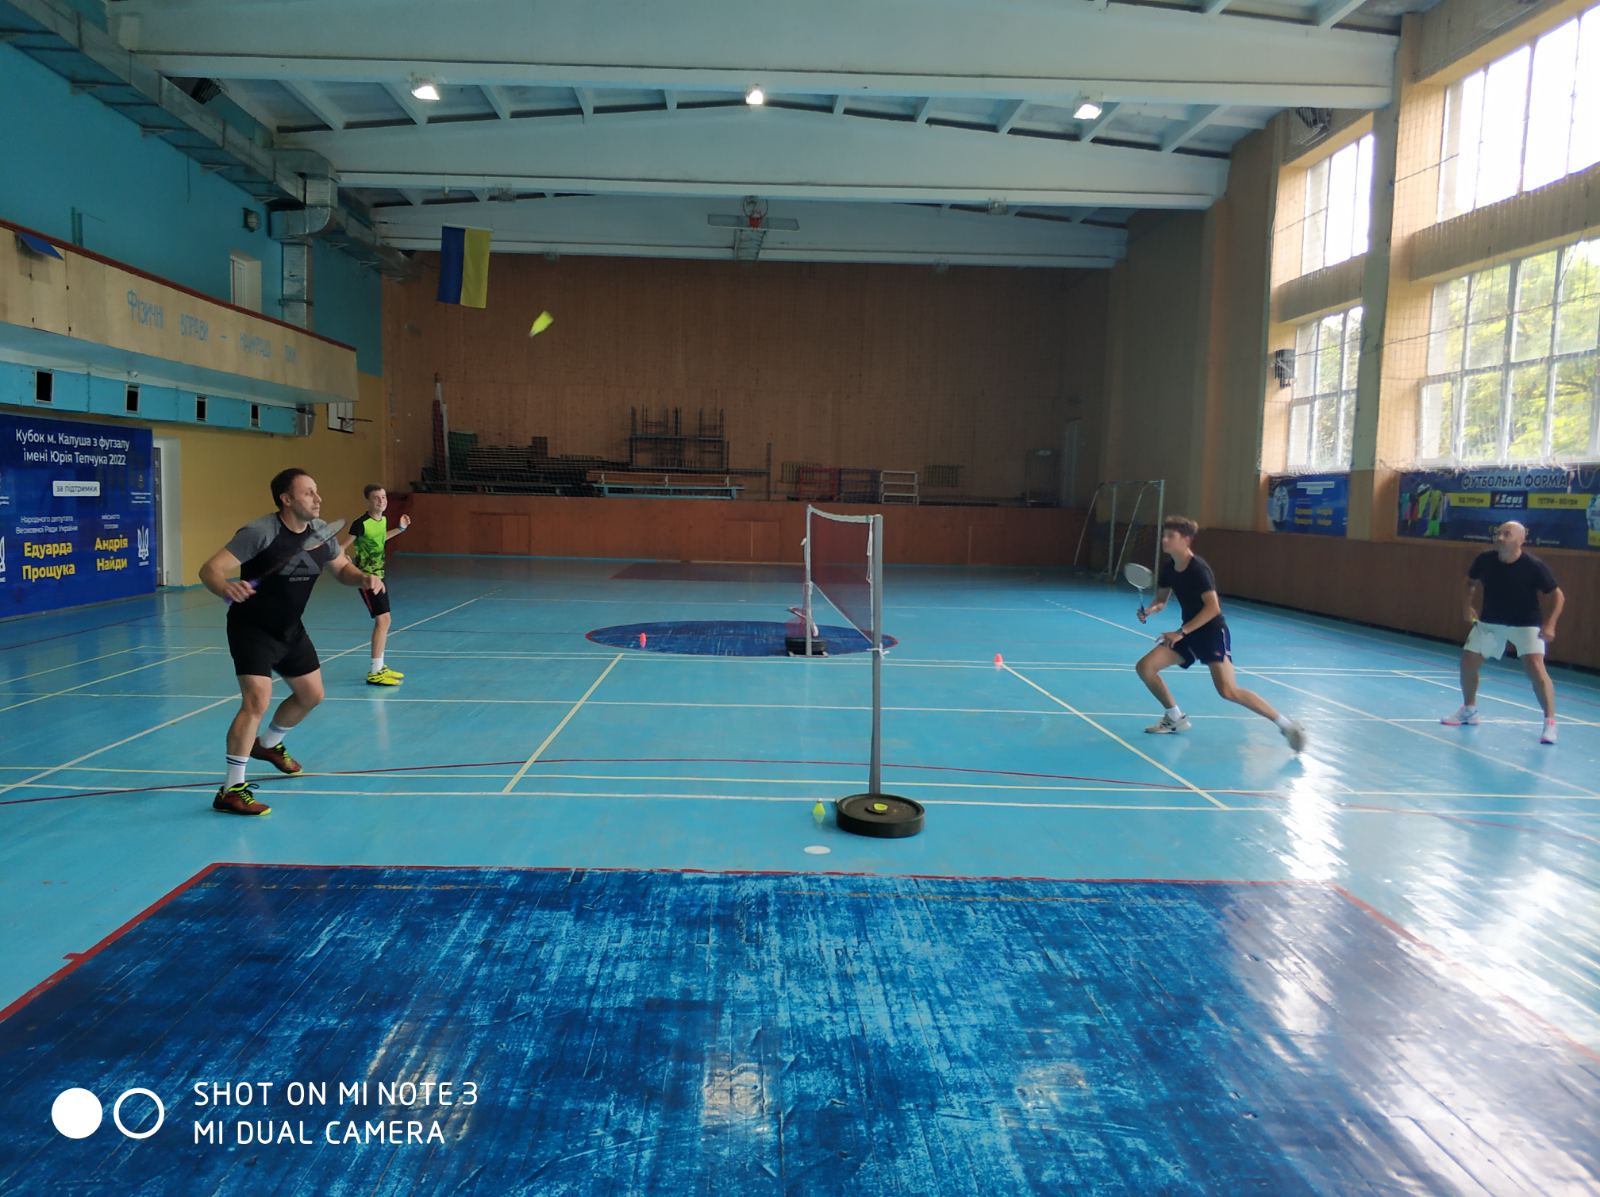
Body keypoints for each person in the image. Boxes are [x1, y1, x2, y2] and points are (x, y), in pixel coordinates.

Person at [198, 468, 385, 815]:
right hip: (252, 629)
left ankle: (268, 744)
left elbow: (342, 569)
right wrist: (225, 587)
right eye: (308, 492)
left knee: (311, 695)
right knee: (257, 701)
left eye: (316, 491)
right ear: (286, 499)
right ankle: (230, 789)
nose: (318, 498)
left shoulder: (321, 531)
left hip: (290, 630)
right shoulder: (260, 532)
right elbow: (210, 569)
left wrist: (363, 577)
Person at [1134, 516, 1307, 753]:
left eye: (1170, 536)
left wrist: (1181, 632)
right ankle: (1174, 717)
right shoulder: (1169, 567)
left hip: (1211, 632)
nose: (1164, 540)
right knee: (1145, 667)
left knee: (1228, 690)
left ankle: (1286, 726)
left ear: (1186, 540)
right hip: (1188, 632)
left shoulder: (1198, 569)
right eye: (1164, 536)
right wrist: (1150, 610)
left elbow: (1213, 608)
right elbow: (1161, 600)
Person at [1441, 520, 1564, 744]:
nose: (1500, 537)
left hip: (1526, 624)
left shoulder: (1534, 566)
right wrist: (1467, 607)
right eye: (1498, 533)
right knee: (1468, 661)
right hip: (1491, 622)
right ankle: (1469, 710)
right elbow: (1469, 582)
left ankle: (1550, 723)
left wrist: (1550, 624)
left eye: (1507, 534)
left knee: (1536, 668)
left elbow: (1558, 595)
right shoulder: (1485, 559)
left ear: (1521, 540)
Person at [339, 484, 412, 686]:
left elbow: (381, 538)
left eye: (384, 497)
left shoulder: (383, 520)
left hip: (380, 575)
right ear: (368, 501)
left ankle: (379, 666)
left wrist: (400, 529)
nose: (382, 501)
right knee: (383, 620)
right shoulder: (361, 524)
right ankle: (375, 671)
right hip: (367, 579)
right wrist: (345, 560)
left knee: (385, 620)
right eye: (377, 498)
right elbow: (342, 547)